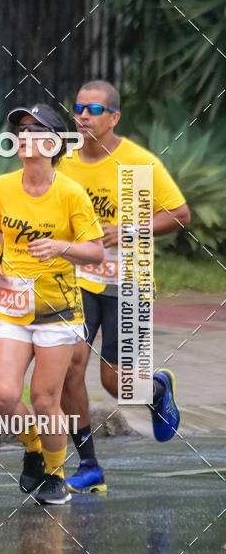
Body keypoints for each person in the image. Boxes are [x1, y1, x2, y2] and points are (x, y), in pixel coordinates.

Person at [58, 80, 191, 494]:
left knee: (116, 384)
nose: (83, 116)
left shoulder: (139, 163)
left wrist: (129, 231)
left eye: (94, 110)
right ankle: (90, 466)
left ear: (114, 117)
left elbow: (180, 214)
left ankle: (156, 389)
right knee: (68, 368)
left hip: (128, 284)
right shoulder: (64, 162)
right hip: (79, 279)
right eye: (79, 107)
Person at [0, 103, 104, 504]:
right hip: (13, 306)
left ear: (53, 143)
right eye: (20, 130)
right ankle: (34, 448)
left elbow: (96, 251)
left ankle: (55, 473)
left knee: (44, 399)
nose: (24, 136)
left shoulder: (70, 194)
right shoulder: (2, 187)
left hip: (59, 311)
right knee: (1, 394)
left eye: (35, 130)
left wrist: (61, 246)